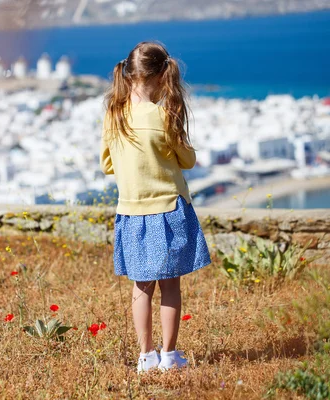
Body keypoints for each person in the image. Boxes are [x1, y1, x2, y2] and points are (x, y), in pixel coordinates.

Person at [100, 42, 211, 373]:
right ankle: (169, 355)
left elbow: (107, 165)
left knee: (141, 286)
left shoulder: (113, 116)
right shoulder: (164, 116)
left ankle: (145, 357)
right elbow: (187, 160)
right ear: (164, 75)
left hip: (131, 213)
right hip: (169, 210)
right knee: (171, 285)